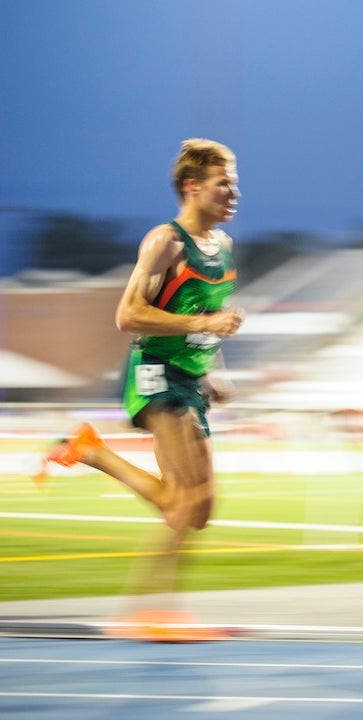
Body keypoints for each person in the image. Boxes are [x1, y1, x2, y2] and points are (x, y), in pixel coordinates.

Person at [37, 138, 245, 640]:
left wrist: (212, 367)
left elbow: (197, 313)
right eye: (223, 184)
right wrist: (212, 326)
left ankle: (91, 451)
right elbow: (128, 315)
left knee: (200, 509)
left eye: (235, 183)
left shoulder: (225, 248)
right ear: (192, 187)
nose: (233, 193)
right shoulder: (165, 242)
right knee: (186, 500)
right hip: (154, 372)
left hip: (189, 378)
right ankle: (154, 611)